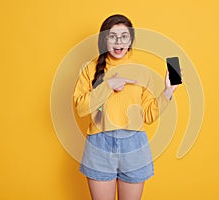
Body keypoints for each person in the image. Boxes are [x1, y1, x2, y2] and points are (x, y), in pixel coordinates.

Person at [73, 14, 178, 200]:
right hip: (99, 145)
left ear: (131, 40)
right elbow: (80, 108)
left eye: (124, 36)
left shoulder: (142, 72)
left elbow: (148, 115)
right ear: (104, 40)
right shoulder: (89, 69)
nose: (118, 42)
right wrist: (107, 86)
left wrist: (168, 92)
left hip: (134, 146)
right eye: (112, 36)